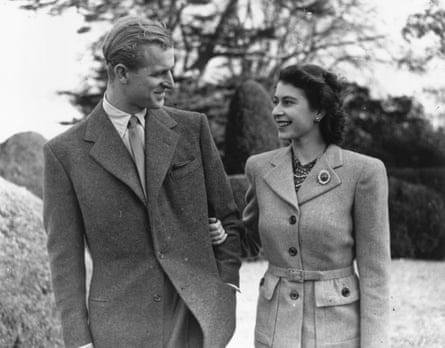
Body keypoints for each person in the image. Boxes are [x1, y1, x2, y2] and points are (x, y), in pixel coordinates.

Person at [43, 15, 242, 348]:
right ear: (121, 73)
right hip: (119, 331)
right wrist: (78, 340)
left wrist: (227, 288)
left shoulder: (193, 129)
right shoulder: (64, 153)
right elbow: (65, 259)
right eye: (159, 73)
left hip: (197, 323)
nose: (172, 82)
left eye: (171, 69)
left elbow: (229, 218)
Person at [213, 64, 390, 347]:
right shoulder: (259, 168)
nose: (276, 111)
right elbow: (249, 241)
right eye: (275, 102)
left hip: (338, 331)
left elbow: (376, 275)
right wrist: (223, 235)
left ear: (318, 110)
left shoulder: (364, 172)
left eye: (288, 102)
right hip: (275, 328)